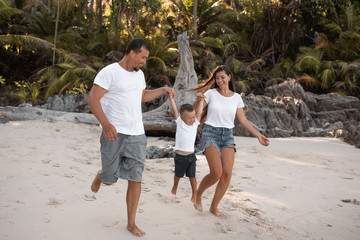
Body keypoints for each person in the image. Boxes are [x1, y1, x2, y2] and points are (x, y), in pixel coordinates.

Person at [88, 38, 175, 237]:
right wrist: (106, 124)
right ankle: (103, 175)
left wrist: (162, 90)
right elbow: (92, 99)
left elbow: (141, 96)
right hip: (113, 133)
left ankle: (131, 223)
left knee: (136, 178)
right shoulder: (109, 72)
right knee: (110, 179)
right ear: (132, 53)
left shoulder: (139, 75)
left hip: (137, 134)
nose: (144, 62)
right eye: (143, 57)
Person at [192, 65, 269, 217]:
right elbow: (196, 113)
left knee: (227, 175)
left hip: (227, 135)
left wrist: (258, 135)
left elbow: (243, 120)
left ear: (229, 77)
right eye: (217, 78)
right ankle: (198, 194)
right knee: (217, 172)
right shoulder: (211, 93)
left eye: (222, 77)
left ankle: (214, 206)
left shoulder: (236, 98)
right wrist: (198, 101)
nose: (219, 80)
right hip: (210, 133)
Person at [168, 92, 204, 203]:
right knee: (178, 175)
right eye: (189, 118)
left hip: (191, 156)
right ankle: (175, 185)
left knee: (192, 177)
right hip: (180, 156)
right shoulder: (180, 123)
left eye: (193, 117)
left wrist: (201, 100)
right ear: (182, 117)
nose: (192, 120)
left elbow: (199, 114)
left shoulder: (195, 124)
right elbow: (175, 111)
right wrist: (171, 99)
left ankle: (194, 193)